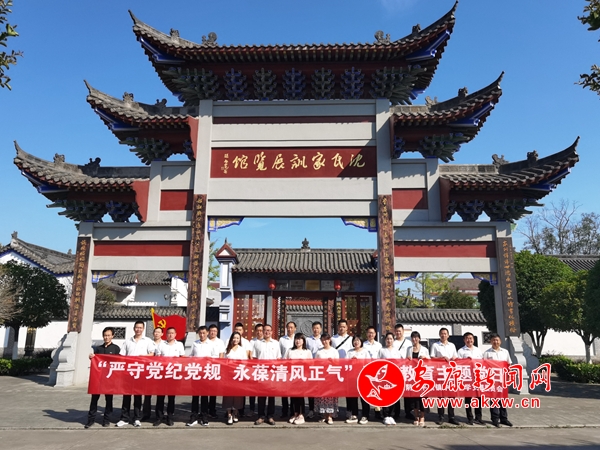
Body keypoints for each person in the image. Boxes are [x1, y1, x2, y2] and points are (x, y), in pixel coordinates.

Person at [116, 321, 155, 427]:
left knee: (138, 396)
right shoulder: (128, 341)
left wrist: (143, 356)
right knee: (126, 395)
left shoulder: (148, 341)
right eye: (137, 327)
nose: (138, 329)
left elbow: (152, 354)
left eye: (140, 327)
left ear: (143, 329)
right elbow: (122, 356)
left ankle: (137, 418)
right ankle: (124, 418)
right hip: (128, 372)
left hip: (140, 372)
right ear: (134, 328)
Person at [85, 327, 120, 428]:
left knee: (109, 400)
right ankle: (91, 420)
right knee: (94, 399)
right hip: (98, 378)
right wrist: (92, 357)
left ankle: (106, 420)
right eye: (105, 335)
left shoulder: (116, 348)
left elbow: (119, 362)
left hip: (109, 378)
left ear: (112, 336)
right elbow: (96, 361)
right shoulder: (98, 349)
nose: (106, 337)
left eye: (108, 335)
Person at [186, 325, 219, 427]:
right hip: (196, 372)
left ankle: (204, 417)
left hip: (206, 373)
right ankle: (194, 416)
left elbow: (216, 357)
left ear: (207, 333)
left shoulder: (211, 344)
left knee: (205, 396)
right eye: (200, 333)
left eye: (204, 333)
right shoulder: (195, 343)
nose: (202, 335)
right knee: (195, 396)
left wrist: (209, 358)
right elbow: (190, 355)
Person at [153, 327, 185, 426]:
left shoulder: (179, 345)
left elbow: (182, 358)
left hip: (174, 374)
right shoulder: (161, 344)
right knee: (160, 397)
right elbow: (157, 357)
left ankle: (170, 417)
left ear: (175, 334)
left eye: (172, 333)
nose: (170, 335)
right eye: (169, 333)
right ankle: (159, 417)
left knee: (171, 397)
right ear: (166, 335)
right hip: (162, 374)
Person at [252, 324, 281, 425]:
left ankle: (270, 416)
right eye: (265, 330)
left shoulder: (276, 343)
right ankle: (261, 416)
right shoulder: (257, 343)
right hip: (261, 372)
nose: (267, 332)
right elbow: (255, 358)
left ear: (272, 332)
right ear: (262, 331)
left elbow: (278, 358)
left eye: (269, 330)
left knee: (271, 396)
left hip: (272, 372)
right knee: (261, 396)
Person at [429, 327, 459, 425]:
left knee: (452, 396)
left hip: (451, 373)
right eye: (442, 333)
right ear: (439, 335)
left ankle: (451, 416)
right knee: (441, 396)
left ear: (448, 335)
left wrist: (454, 358)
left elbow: (456, 357)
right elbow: (432, 358)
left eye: (445, 333)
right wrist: (441, 358)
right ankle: (441, 416)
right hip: (440, 373)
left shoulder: (452, 345)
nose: (443, 335)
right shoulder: (435, 345)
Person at [483, 333, 513, 427]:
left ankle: (504, 418)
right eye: (493, 340)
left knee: (503, 399)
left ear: (500, 341)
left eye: (497, 340)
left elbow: (509, 364)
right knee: (494, 400)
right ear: (490, 341)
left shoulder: (505, 352)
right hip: (492, 380)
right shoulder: (487, 353)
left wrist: (509, 375)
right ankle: (495, 419)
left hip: (502, 379)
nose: (495, 342)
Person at [284, 333, 312, 425]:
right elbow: (285, 362)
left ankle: (301, 414)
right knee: (293, 396)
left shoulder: (307, 351)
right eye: (296, 339)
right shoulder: (290, 350)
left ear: (303, 341)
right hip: (292, 376)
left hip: (302, 377)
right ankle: (294, 413)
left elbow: (311, 364)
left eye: (300, 339)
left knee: (300, 396)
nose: (298, 341)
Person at [457, 332, 484, 425]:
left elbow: (482, 362)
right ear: (464, 340)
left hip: (477, 377)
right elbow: (458, 364)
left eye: (471, 338)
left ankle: (478, 417)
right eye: (467, 338)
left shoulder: (478, 350)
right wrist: (466, 361)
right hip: (467, 377)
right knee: (468, 399)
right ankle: (470, 418)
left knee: (478, 398)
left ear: (473, 339)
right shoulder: (461, 351)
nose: (469, 340)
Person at [222, 332, 249, 425]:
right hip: (228, 375)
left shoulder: (242, 350)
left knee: (238, 395)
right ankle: (229, 414)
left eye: (237, 338)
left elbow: (245, 362)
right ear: (231, 339)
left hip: (238, 374)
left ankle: (235, 413)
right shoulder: (227, 350)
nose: (236, 340)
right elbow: (223, 362)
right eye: (234, 338)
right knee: (228, 395)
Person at [378, 332, 404, 425]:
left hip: (394, 375)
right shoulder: (381, 350)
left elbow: (401, 362)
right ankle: (386, 415)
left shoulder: (397, 351)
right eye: (387, 339)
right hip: (384, 376)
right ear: (385, 340)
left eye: (391, 339)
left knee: (394, 396)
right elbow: (378, 362)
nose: (389, 340)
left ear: (393, 340)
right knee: (385, 396)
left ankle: (392, 415)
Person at [314, 333, 339, 424]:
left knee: (330, 397)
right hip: (321, 377)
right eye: (323, 340)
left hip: (331, 377)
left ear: (329, 340)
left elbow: (338, 364)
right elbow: (315, 363)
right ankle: (324, 415)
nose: (325, 341)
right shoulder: (319, 352)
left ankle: (330, 415)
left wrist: (332, 362)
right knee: (322, 397)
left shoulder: (334, 351)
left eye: (326, 339)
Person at [406, 331, 430, 427]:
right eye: (413, 337)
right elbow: (405, 362)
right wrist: (407, 359)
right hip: (413, 377)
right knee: (414, 398)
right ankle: (416, 416)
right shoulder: (409, 349)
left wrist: (425, 358)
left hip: (422, 376)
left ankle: (422, 416)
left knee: (423, 398)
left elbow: (430, 361)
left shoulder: (424, 349)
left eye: (416, 337)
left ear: (419, 339)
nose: (414, 339)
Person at [345, 335, 370, 425]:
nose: (356, 342)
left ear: (361, 342)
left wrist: (358, 361)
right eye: (355, 340)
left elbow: (368, 364)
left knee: (364, 397)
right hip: (352, 377)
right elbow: (344, 363)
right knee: (353, 397)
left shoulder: (365, 352)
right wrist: (351, 361)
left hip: (363, 377)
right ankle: (354, 414)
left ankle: (365, 415)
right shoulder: (349, 352)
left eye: (358, 340)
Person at [331, 319, 353, 420]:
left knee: (348, 390)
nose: (342, 328)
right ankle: (334, 410)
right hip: (336, 368)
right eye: (340, 326)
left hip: (348, 368)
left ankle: (349, 410)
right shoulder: (333, 338)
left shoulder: (351, 339)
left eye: (344, 327)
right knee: (334, 390)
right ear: (337, 327)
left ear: (347, 328)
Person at [142, 326, 165, 421]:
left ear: (162, 334)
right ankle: (146, 414)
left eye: (159, 332)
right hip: (149, 370)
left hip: (161, 371)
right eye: (155, 332)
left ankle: (159, 415)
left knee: (160, 394)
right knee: (147, 393)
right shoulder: (148, 343)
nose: (157, 334)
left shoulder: (165, 344)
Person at [392, 323, 412, 421]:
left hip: (406, 369)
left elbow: (411, 355)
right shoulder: (393, 342)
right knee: (396, 391)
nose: (398, 333)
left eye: (400, 331)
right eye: (396, 331)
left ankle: (408, 412)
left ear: (403, 331)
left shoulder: (408, 342)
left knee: (407, 391)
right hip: (396, 369)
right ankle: (396, 412)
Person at [278, 321, 297, 418]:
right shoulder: (282, 339)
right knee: (284, 391)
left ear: (295, 328)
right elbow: (280, 353)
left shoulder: (298, 339)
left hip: (295, 368)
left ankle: (293, 411)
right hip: (284, 367)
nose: (290, 329)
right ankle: (284, 411)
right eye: (288, 327)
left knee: (294, 390)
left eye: (291, 327)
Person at [233, 322, 252, 417]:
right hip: (231, 371)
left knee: (241, 391)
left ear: (243, 331)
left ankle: (241, 410)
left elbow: (248, 356)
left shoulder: (246, 342)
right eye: (236, 330)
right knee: (231, 391)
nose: (238, 331)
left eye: (240, 330)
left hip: (242, 370)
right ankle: (230, 410)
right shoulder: (229, 340)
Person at [305, 321, 323, 418]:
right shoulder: (308, 340)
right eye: (314, 328)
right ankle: (311, 409)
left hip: (321, 368)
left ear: (321, 329)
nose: (316, 330)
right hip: (310, 368)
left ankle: (320, 409)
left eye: (317, 328)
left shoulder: (324, 339)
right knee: (311, 389)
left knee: (320, 389)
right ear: (312, 329)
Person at [207, 324, 225, 418]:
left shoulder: (220, 342)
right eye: (211, 331)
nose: (213, 333)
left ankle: (212, 410)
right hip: (205, 368)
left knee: (213, 391)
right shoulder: (205, 341)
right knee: (205, 390)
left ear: (217, 332)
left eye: (215, 331)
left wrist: (219, 367)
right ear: (208, 332)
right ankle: (204, 410)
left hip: (215, 368)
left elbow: (221, 355)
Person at [247, 323, 264, 415]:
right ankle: (251, 409)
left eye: (261, 330)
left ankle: (261, 410)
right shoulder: (252, 342)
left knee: (262, 390)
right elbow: (250, 354)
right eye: (258, 330)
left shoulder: (266, 341)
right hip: (254, 368)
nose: (259, 332)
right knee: (252, 391)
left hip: (264, 369)